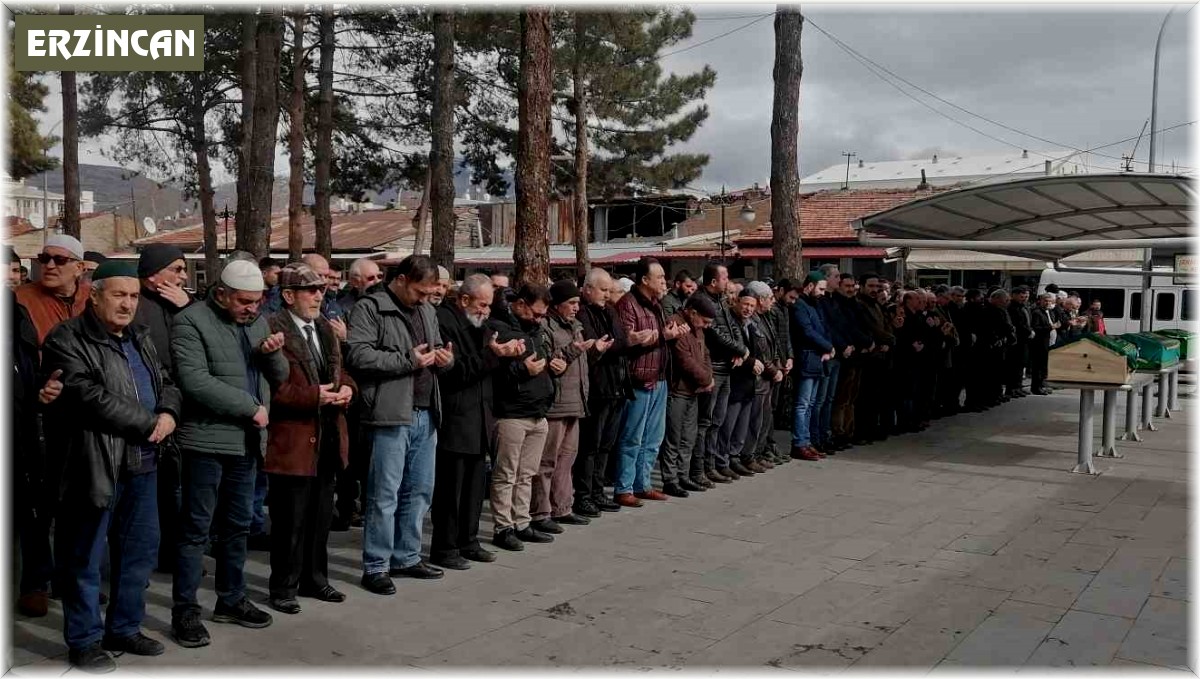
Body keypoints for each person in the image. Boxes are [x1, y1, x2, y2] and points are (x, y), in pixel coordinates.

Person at [43, 260, 182, 671]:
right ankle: (84, 640)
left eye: (134, 296)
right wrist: (149, 422)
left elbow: (166, 381)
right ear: (95, 295)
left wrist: (169, 413)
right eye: (119, 295)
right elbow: (85, 394)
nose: (128, 304)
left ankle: (123, 628)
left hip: (144, 463)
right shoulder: (67, 337)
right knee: (84, 557)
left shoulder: (140, 336)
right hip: (93, 463)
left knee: (138, 554)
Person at [169, 259, 288, 648]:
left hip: (246, 442)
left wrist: (272, 354)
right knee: (196, 530)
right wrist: (249, 407)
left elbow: (280, 376)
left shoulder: (258, 323)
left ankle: (231, 599)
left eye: (257, 301)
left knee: (237, 526)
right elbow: (194, 381)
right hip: (205, 441)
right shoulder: (190, 322)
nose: (252, 308)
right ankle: (185, 610)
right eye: (244, 301)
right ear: (220, 293)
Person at [345, 255, 454, 595]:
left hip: (426, 411)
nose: (424, 299)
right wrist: (408, 360)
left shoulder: (427, 310)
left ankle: (407, 556)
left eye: (429, 294)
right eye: (420, 292)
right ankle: (376, 565)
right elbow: (358, 355)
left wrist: (445, 359)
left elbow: (437, 350)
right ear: (402, 279)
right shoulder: (371, 307)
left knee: (419, 490)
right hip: (389, 412)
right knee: (384, 493)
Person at [263, 264, 357, 615]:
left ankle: (315, 579)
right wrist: (313, 396)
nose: (319, 296)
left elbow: (341, 371)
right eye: (311, 290)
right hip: (294, 440)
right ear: (289, 296)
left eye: (322, 290)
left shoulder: (324, 327)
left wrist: (348, 389)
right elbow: (274, 388)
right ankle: (283, 586)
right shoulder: (272, 328)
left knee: (320, 517)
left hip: (328, 434)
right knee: (290, 520)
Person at [430, 275, 524, 569]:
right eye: (482, 305)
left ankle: (468, 541)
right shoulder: (445, 322)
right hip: (456, 418)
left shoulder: (480, 326)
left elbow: (486, 364)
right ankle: (445, 547)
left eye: (489, 306)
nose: (486, 311)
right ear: (464, 299)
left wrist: (505, 355)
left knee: (473, 487)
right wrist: (491, 355)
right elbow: (455, 372)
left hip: (480, 416)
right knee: (451, 490)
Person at [133, 244, 193, 574]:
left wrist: (188, 307)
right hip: (150, 409)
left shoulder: (183, 303)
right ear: (154, 273)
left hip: (182, 407)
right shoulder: (136, 305)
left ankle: (173, 552)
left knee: (176, 489)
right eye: (176, 269)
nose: (183, 277)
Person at [531, 280, 606, 533]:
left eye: (577, 303)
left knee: (567, 460)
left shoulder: (576, 326)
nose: (576, 307)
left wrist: (595, 351)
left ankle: (562, 507)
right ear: (557, 304)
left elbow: (581, 361)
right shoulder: (546, 326)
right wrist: (573, 351)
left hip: (576, 402)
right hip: (556, 404)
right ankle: (540, 512)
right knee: (547, 462)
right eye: (571, 303)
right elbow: (551, 362)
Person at [11, 265, 64, 620]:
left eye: (13, 271)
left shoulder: (16, 315)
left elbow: (29, 368)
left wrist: (43, 390)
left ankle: (35, 583)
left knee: (33, 512)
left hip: (23, 432)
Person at [613, 257, 687, 506]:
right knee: (632, 437)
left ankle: (642, 484)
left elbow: (658, 337)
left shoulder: (657, 304)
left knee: (653, 438)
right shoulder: (627, 304)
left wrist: (669, 335)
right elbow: (626, 341)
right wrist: (659, 337)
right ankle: (624, 487)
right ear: (645, 279)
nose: (665, 281)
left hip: (659, 377)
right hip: (639, 380)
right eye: (660, 277)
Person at [487, 284, 556, 551]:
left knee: (526, 474)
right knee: (506, 473)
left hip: (537, 411)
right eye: (536, 314)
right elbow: (494, 374)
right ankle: (503, 527)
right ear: (520, 304)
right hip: (511, 413)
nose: (539, 319)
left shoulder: (535, 330)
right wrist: (522, 370)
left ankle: (522, 522)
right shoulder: (498, 328)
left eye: (543, 315)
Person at [330, 257, 384, 531]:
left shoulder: (381, 305)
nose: (377, 282)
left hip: (374, 390)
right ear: (354, 281)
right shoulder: (340, 307)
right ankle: (346, 507)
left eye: (379, 277)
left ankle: (365, 504)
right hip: (350, 390)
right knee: (348, 455)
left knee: (370, 455)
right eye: (371, 278)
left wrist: (348, 336)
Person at [573, 269, 629, 516]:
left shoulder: (610, 312)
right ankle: (584, 495)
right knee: (590, 446)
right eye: (603, 290)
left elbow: (621, 341)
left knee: (606, 444)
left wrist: (611, 346)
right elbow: (595, 344)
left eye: (609, 290)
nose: (607, 295)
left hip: (616, 386)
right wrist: (607, 346)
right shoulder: (583, 313)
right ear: (588, 289)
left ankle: (598, 491)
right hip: (596, 389)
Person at [692, 263, 747, 486]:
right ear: (713, 281)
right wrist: (740, 350)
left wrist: (739, 350)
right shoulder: (702, 301)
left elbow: (734, 328)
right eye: (724, 278)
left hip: (726, 367)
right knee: (705, 421)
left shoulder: (722, 301)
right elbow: (715, 334)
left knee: (718, 420)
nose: (727, 281)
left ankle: (712, 464)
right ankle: (699, 468)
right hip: (712, 366)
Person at [660, 294, 717, 496]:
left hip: (693, 390)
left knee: (688, 437)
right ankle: (670, 479)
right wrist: (706, 379)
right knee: (673, 437)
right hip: (678, 390)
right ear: (693, 313)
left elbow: (705, 355)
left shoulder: (697, 329)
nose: (707, 326)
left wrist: (708, 377)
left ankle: (683, 475)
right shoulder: (676, 324)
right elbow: (684, 360)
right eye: (705, 321)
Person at [719, 290, 773, 477]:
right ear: (737, 302)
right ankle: (723, 460)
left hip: (749, 382)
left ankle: (735, 457)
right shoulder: (730, 322)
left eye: (752, 305)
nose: (748, 309)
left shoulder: (752, 324)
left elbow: (758, 350)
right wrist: (749, 362)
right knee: (728, 426)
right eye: (745, 304)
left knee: (742, 426)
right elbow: (731, 348)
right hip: (734, 381)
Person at [17, 235, 91, 345]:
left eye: (59, 260)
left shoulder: (94, 297)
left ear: (79, 268)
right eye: (44, 259)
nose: (49, 266)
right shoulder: (19, 298)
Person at [791, 273, 834, 460]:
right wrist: (827, 346)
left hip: (816, 359)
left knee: (810, 404)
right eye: (821, 289)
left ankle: (806, 441)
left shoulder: (814, 305)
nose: (823, 293)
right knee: (803, 404)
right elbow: (807, 331)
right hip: (806, 358)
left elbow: (823, 329)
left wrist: (828, 347)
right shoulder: (799, 306)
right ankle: (799, 443)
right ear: (809, 286)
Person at [743, 281, 783, 468]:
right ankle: (750, 455)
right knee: (756, 420)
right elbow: (760, 351)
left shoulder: (765, 317)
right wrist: (774, 371)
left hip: (767, 377)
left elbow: (773, 344)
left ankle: (758, 453)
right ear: (760, 299)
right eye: (770, 298)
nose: (773, 301)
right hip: (759, 378)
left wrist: (779, 362)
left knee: (764, 418)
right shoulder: (752, 321)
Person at [853, 272, 894, 444]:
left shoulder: (876, 305)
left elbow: (885, 325)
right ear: (861, 286)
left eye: (877, 286)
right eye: (870, 286)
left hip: (879, 356)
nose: (874, 290)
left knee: (875, 396)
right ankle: (861, 431)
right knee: (864, 396)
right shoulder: (859, 304)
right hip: (866, 356)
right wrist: (887, 340)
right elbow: (870, 327)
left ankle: (871, 428)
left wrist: (888, 340)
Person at [1007, 286, 1033, 398]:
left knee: (1021, 364)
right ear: (1014, 295)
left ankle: (1018, 386)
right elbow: (1018, 323)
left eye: (1026, 296)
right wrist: (1028, 331)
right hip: (1016, 340)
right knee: (1014, 365)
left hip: (1025, 340)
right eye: (1022, 297)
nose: (1024, 299)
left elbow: (1027, 321)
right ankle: (1011, 388)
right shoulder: (1012, 307)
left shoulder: (1024, 307)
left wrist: (1030, 330)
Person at [1029, 293, 1058, 395]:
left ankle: (1041, 385)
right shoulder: (1037, 313)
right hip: (1039, 343)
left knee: (1044, 366)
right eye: (1045, 301)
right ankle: (1036, 387)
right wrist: (1050, 327)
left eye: (1049, 301)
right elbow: (1036, 328)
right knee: (1038, 366)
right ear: (1040, 301)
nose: (1048, 303)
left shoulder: (1050, 312)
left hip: (1049, 341)